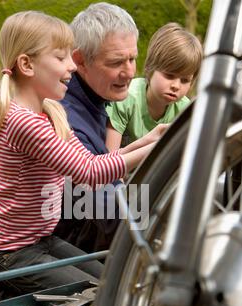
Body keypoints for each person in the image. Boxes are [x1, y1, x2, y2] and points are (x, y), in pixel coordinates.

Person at [0, 10, 163, 302]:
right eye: (61, 58)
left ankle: (21, 288)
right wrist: (161, 149)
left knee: (111, 282)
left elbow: (94, 162)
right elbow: (88, 174)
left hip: (39, 239)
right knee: (95, 299)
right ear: (27, 64)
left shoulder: (50, 110)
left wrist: (150, 140)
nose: (72, 65)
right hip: (5, 251)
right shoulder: (24, 122)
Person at [54, 2, 166, 254]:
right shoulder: (66, 118)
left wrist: (150, 142)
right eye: (117, 62)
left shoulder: (91, 99)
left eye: (132, 58)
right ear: (80, 60)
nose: (129, 72)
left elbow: (103, 165)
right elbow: (92, 206)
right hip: (70, 235)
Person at [105, 22, 203, 151]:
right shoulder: (125, 98)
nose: (176, 86)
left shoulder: (183, 110)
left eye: (184, 80)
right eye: (169, 75)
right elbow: (109, 157)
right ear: (151, 68)